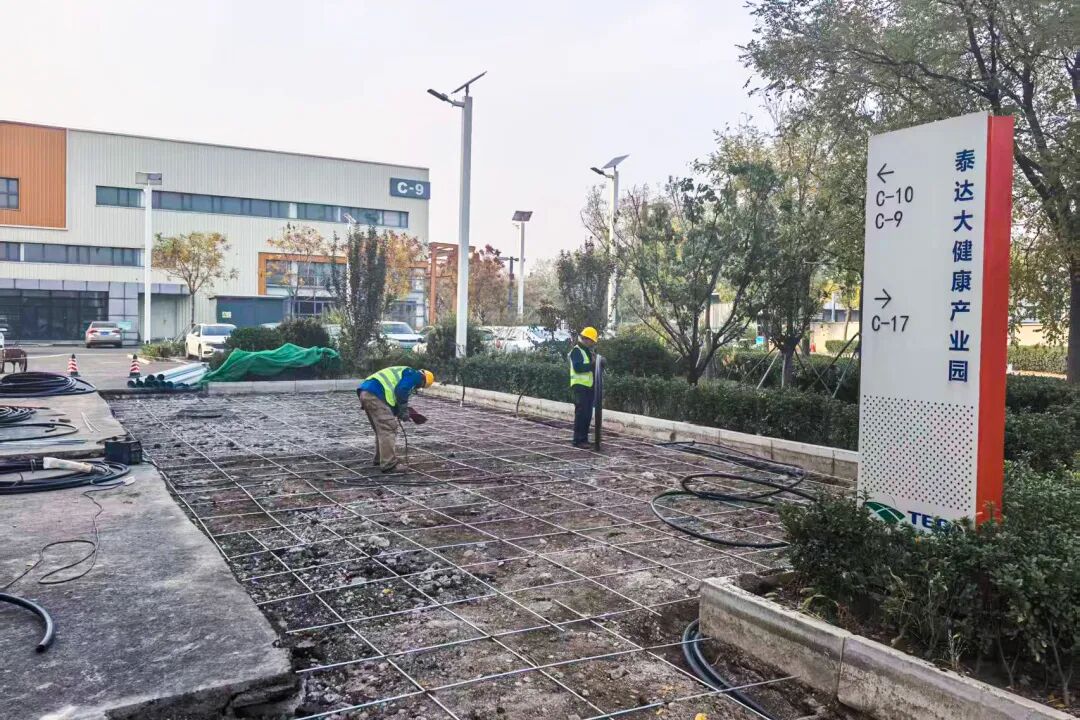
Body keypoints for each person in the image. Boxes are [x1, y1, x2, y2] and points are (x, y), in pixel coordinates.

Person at [357, 365, 435, 472]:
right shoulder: (415, 376)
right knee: (388, 429)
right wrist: (403, 410)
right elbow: (402, 390)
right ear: (423, 380)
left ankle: (380, 459)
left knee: (381, 429)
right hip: (375, 394)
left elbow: (393, 395)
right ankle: (389, 464)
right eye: (420, 386)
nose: (417, 387)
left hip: (366, 392)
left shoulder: (404, 371)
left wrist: (400, 411)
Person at [568, 326, 598, 448]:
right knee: (581, 414)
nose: (592, 343)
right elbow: (578, 368)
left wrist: (597, 364)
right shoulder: (576, 351)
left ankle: (584, 439)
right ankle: (578, 440)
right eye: (591, 341)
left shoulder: (587, 352)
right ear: (586, 339)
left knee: (587, 415)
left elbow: (592, 367)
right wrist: (592, 365)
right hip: (579, 387)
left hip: (588, 387)